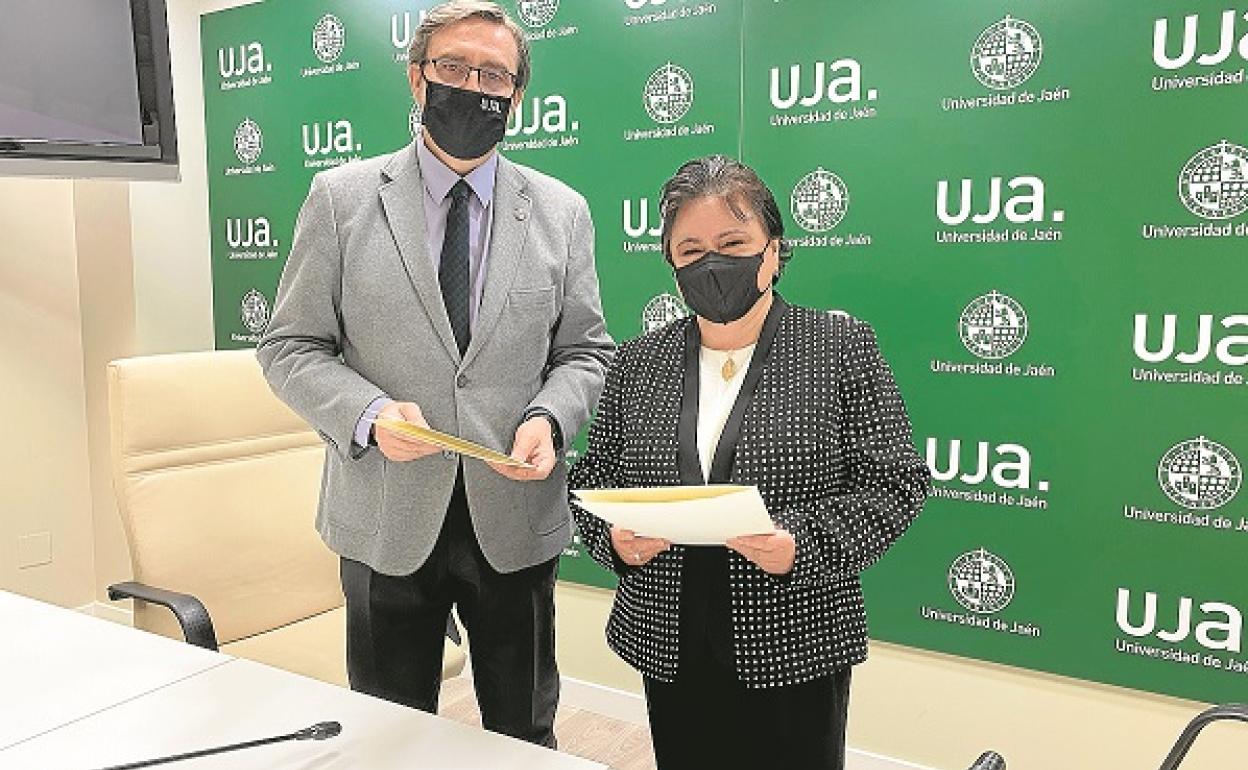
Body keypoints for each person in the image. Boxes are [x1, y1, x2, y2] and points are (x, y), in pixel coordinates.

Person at [257, 0, 613, 748]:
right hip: (386, 517)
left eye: (494, 75)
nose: (473, 87)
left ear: (517, 95)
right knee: (389, 738)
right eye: (454, 67)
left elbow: (585, 352)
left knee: (523, 733)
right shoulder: (341, 200)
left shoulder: (563, 212)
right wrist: (368, 415)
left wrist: (550, 418)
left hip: (513, 516)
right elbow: (289, 346)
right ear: (417, 78)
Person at [569, 155, 929, 769]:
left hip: (797, 639)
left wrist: (802, 544)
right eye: (691, 250)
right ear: (672, 264)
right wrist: (616, 541)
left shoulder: (838, 347)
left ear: (774, 249)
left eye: (733, 243)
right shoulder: (637, 361)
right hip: (669, 639)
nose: (712, 263)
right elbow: (592, 476)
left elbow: (896, 482)